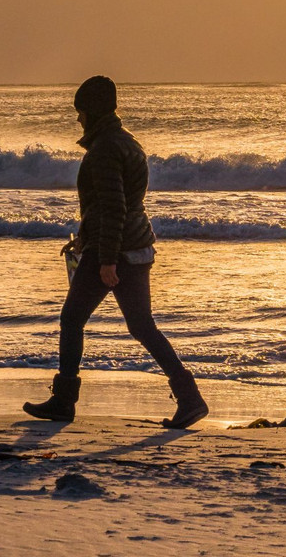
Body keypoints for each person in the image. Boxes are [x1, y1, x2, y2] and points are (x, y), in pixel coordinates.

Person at [24, 76, 209, 429]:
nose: (78, 119)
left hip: (116, 250)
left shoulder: (106, 149)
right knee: (142, 326)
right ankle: (190, 398)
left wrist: (106, 259)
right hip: (136, 245)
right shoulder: (128, 143)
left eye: (80, 111)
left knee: (72, 319)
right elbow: (113, 205)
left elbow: (113, 207)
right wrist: (84, 237)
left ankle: (63, 402)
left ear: (91, 111)